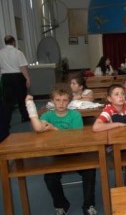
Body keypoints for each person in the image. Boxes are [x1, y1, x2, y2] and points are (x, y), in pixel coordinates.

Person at [25, 84, 97, 215]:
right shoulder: (47, 115)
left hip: (76, 153)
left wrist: (53, 129)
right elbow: (38, 127)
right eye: (58, 100)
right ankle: (61, 204)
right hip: (55, 155)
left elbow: (75, 139)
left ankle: (88, 205)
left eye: (64, 100)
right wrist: (30, 107)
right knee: (50, 177)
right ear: (52, 101)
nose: (61, 103)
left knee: (90, 171)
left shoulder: (75, 115)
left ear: (69, 101)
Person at [0, 35, 31, 126]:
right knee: (21, 98)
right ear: (14, 42)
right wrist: (27, 79)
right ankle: (24, 117)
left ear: (5, 42)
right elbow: (23, 67)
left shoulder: (0, 53)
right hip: (17, 77)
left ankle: (6, 121)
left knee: (7, 101)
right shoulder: (18, 53)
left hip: (5, 78)